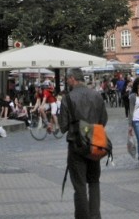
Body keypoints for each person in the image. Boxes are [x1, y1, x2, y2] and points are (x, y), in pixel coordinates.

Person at [59, 68, 108, 219]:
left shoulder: (67, 99)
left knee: (79, 186)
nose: (67, 82)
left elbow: (63, 127)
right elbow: (103, 120)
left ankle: (83, 217)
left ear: (72, 78)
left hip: (76, 146)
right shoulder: (96, 95)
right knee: (94, 182)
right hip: (94, 144)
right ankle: (95, 216)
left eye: (67, 79)